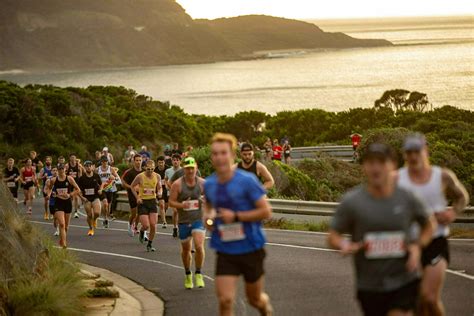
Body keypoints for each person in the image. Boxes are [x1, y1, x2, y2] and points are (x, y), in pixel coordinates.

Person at [328, 143, 435, 316]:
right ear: (363, 167)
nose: (376, 168)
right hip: (369, 285)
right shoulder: (352, 201)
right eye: (370, 163)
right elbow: (333, 235)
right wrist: (343, 244)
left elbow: (429, 225)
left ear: (393, 165)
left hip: (404, 279)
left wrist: (417, 245)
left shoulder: (406, 197)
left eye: (381, 162)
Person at [396, 134, 469, 316]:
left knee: (429, 297)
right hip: (409, 244)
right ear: (405, 154)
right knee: (418, 301)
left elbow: (462, 197)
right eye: (409, 152)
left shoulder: (442, 176)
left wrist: (453, 212)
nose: (413, 157)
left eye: (417, 152)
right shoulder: (396, 178)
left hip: (436, 241)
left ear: (425, 151)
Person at [203, 133, 273, 316]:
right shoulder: (210, 184)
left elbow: (266, 212)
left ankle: (265, 308)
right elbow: (209, 206)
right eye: (215, 153)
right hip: (225, 249)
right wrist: (209, 217)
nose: (219, 157)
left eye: (223, 153)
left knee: (254, 300)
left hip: (250, 247)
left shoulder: (247, 180)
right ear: (212, 157)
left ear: (232, 155)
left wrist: (236, 216)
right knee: (225, 300)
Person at [169, 157, 206, 289]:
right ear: (184, 169)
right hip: (184, 220)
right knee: (186, 250)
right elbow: (171, 202)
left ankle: (198, 273)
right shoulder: (177, 184)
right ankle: (188, 274)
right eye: (188, 168)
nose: (190, 171)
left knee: (199, 245)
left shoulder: (202, 183)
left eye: (192, 168)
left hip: (198, 219)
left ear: (196, 168)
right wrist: (182, 204)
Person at [46, 163, 82, 248]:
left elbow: (78, 189)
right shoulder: (54, 180)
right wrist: (49, 194)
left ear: (65, 169)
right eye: (59, 169)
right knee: (61, 224)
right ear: (57, 170)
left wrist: (70, 195)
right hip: (58, 203)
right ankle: (64, 245)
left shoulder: (69, 179)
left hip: (67, 203)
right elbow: (50, 188)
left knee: (66, 227)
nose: (61, 170)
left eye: (62, 169)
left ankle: (62, 240)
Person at [130, 160, 162, 252]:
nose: (150, 171)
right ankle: (142, 231)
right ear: (144, 168)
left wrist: (160, 192)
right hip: (143, 202)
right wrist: (137, 198)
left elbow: (159, 187)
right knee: (146, 225)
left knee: (153, 225)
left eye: (152, 169)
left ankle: (150, 244)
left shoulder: (157, 176)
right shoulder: (140, 176)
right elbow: (132, 186)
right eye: (148, 169)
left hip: (152, 201)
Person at [78, 161, 103, 236]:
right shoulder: (82, 178)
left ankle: (94, 220)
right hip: (86, 198)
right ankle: (90, 228)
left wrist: (100, 190)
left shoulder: (96, 176)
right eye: (87, 166)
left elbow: (101, 184)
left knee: (97, 213)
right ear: (84, 167)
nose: (88, 167)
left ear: (92, 167)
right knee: (89, 215)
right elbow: (78, 190)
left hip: (95, 197)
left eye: (90, 166)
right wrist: (82, 198)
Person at [122, 154, 143, 236]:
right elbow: (123, 182)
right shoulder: (129, 172)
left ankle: (136, 227)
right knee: (134, 213)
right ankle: (130, 224)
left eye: (140, 160)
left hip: (141, 194)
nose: (138, 162)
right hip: (132, 194)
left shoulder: (144, 172)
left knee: (140, 212)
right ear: (134, 161)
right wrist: (131, 187)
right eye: (137, 160)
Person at [97, 156, 119, 228]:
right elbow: (93, 177)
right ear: (101, 162)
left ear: (107, 162)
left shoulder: (111, 169)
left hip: (110, 188)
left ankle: (107, 216)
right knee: (105, 204)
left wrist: (114, 178)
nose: (104, 163)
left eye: (106, 161)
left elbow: (117, 178)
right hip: (102, 188)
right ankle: (105, 219)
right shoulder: (97, 169)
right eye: (103, 161)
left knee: (108, 205)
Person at [165, 154, 182, 238]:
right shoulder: (168, 171)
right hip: (171, 194)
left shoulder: (183, 170)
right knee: (175, 211)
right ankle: (175, 227)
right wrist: (167, 186)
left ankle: (179, 228)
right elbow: (165, 180)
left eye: (177, 160)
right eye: (174, 160)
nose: (175, 161)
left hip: (182, 194)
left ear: (180, 161)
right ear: (171, 161)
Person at [66, 154, 83, 219]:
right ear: (70, 158)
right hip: (69, 183)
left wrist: (80, 182)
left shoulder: (78, 165)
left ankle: (76, 212)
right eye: (72, 157)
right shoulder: (67, 166)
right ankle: (69, 209)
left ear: (75, 158)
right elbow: (65, 173)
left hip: (76, 183)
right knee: (70, 197)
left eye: (74, 157)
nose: (73, 159)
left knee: (75, 197)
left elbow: (80, 175)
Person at [154, 156, 169, 229]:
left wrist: (165, 182)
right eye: (159, 162)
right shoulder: (154, 170)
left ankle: (163, 214)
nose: (161, 164)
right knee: (162, 205)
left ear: (164, 162)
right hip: (158, 188)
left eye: (162, 162)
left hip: (167, 188)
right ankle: (164, 222)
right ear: (157, 163)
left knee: (166, 205)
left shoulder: (168, 169)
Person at [45, 166, 60, 236]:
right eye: (53, 170)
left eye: (56, 170)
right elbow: (45, 189)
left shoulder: (62, 179)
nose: (55, 171)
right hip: (52, 200)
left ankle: (60, 229)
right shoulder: (49, 180)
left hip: (60, 200)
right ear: (51, 172)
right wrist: (48, 194)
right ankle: (57, 228)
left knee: (60, 215)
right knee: (55, 218)